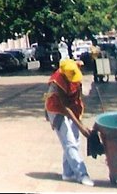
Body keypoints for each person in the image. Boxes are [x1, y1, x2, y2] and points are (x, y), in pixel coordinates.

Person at [45, 58, 94, 186]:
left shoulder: (73, 69)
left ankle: (67, 173)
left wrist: (80, 124)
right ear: (64, 73)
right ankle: (82, 174)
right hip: (57, 109)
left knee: (75, 142)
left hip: (72, 107)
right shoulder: (57, 81)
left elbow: (76, 97)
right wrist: (81, 127)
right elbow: (65, 107)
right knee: (70, 143)